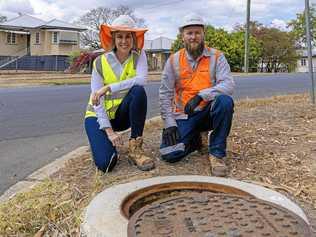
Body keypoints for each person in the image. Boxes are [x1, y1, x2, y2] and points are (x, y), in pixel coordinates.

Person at [159, 13, 235, 177]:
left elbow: (228, 85)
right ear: (183, 36)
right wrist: (169, 123)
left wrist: (202, 96)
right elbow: (164, 94)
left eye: (197, 32)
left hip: (208, 111)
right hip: (184, 116)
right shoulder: (173, 60)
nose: (193, 37)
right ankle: (195, 140)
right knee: (169, 153)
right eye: (189, 33)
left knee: (225, 101)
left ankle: (216, 154)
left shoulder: (217, 56)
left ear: (203, 34)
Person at [84, 15, 155, 172]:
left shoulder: (139, 56)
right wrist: (109, 132)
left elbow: (141, 80)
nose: (124, 41)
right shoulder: (100, 62)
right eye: (120, 36)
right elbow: (97, 101)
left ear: (133, 38)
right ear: (113, 39)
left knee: (138, 91)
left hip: (121, 116)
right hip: (98, 117)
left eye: (128, 36)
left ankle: (135, 148)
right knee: (106, 164)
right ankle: (100, 139)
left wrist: (109, 87)